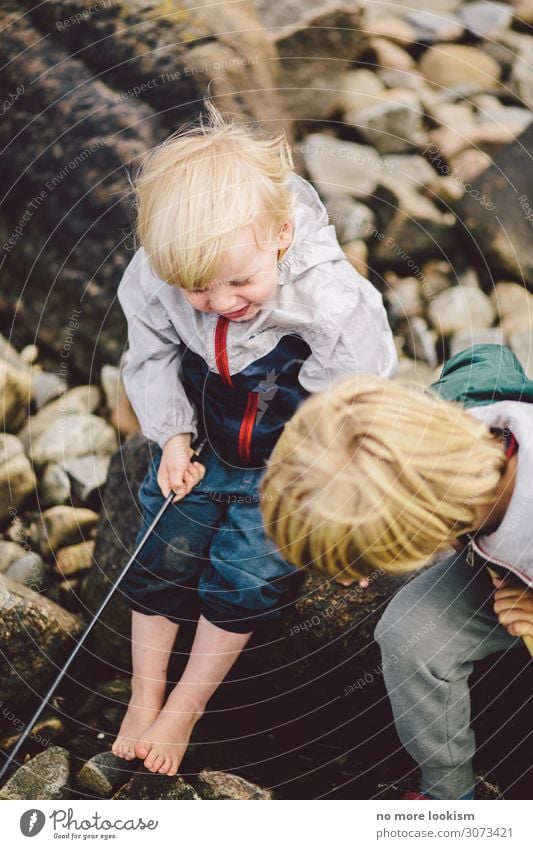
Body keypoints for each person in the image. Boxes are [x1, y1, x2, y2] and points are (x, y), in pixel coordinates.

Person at [112, 100, 397, 777]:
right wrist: (174, 436)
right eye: (196, 290)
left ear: (279, 232)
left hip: (288, 452)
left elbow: (352, 398)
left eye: (238, 282)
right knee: (162, 549)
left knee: (246, 572)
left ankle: (185, 705)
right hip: (208, 435)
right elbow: (149, 355)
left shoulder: (325, 297)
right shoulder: (161, 272)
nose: (219, 300)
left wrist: (335, 502)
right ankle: (144, 691)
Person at [260, 343, 533, 800]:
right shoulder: (449, 419)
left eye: (377, 560)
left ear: (423, 535)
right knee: (412, 635)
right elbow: (488, 354)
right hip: (489, 549)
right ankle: (450, 794)